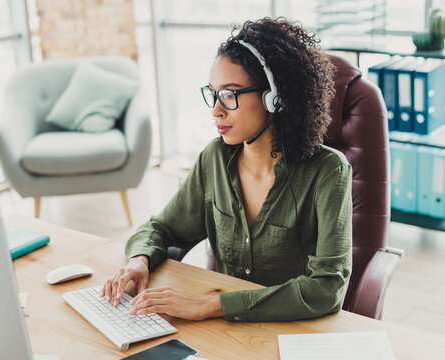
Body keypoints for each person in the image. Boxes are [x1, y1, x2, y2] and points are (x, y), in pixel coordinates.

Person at [101, 17, 352, 322]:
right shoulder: (215, 159)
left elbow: (327, 289)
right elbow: (160, 228)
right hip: (222, 332)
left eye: (230, 95)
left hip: (293, 333)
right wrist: (139, 260)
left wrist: (211, 306)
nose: (216, 110)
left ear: (276, 97)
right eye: (213, 93)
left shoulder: (328, 171)